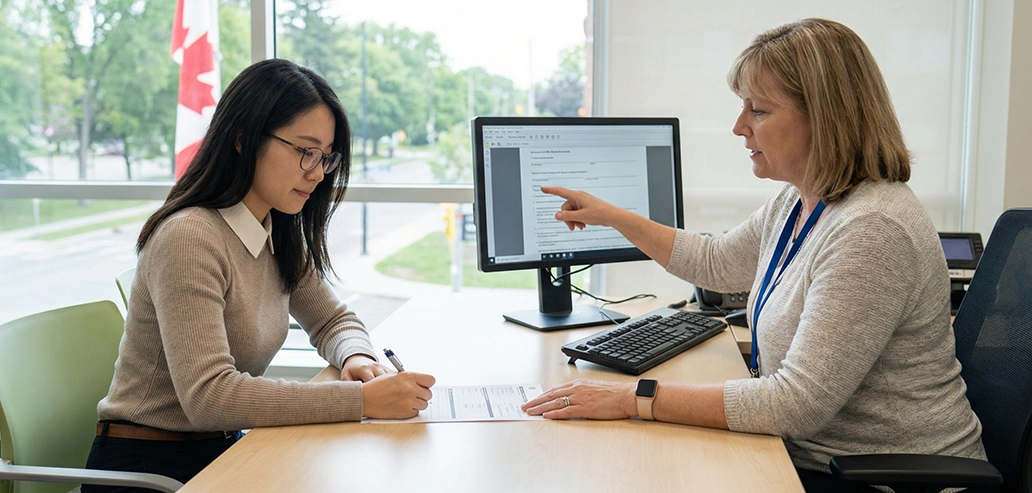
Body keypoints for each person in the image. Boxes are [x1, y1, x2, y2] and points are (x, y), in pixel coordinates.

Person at [521, 18, 985, 491]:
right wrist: (614, 216)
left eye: (758, 111)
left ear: (825, 118)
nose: (739, 127)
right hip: (816, 454)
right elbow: (716, 263)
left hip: (887, 477)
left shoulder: (871, 230)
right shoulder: (802, 200)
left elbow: (794, 405)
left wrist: (631, 398)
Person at [83, 58, 435, 490]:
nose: (317, 172)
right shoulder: (190, 237)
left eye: (325, 157)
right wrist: (359, 400)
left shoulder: (275, 230)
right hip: (150, 470)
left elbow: (332, 320)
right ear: (242, 139)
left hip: (218, 449)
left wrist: (356, 358)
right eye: (305, 151)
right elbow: (209, 398)